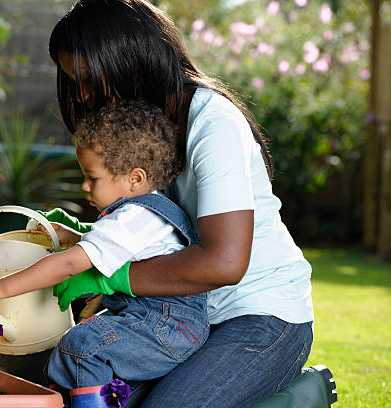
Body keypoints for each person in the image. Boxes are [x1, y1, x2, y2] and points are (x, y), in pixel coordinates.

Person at [44, 0, 314, 407]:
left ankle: (300, 397)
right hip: (176, 318)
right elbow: (155, 232)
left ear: (131, 61)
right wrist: (84, 240)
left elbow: (224, 262)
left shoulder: (212, 123)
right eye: (72, 81)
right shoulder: (139, 129)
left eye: (87, 78)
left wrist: (108, 276)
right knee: (74, 387)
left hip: (260, 315)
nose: (81, 94)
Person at [0, 99, 208, 407]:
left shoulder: (132, 218)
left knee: (83, 346)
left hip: (166, 327)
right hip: (164, 325)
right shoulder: (144, 212)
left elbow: (70, 263)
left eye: (93, 178)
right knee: (77, 349)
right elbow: (110, 247)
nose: (84, 186)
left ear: (135, 178)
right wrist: (75, 235)